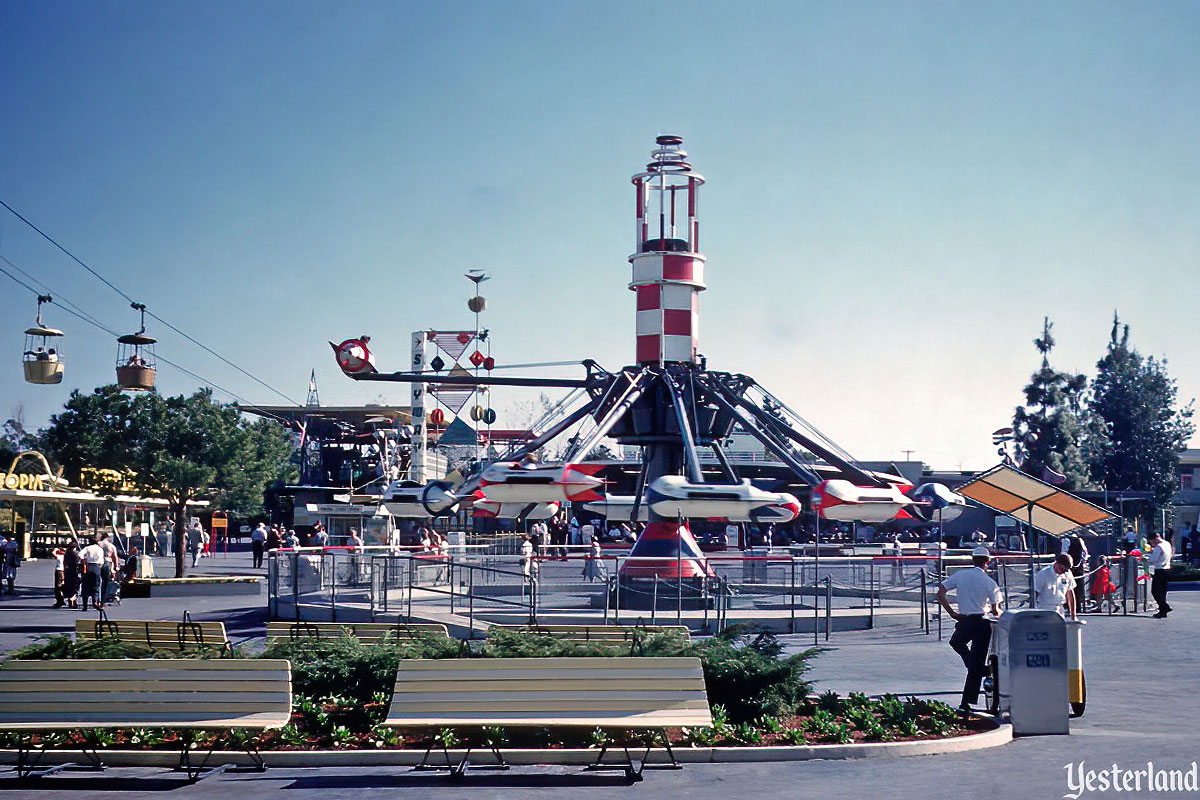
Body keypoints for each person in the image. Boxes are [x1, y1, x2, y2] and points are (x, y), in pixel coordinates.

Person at [937, 546, 1004, 714]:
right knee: (976, 662)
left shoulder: (961, 575)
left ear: (972, 559)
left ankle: (967, 700)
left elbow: (941, 592)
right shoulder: (990, 582)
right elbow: (996, 610)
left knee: (956, 642)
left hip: (966, 619)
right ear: (987, 563)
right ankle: (971, 692)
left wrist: (952, 613)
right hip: (983, 622)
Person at [1035, 553, 1078, 619]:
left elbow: (1070, 594)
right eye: (1062, 569)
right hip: (1045, 609)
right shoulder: (1044, 573)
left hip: (1060, 610)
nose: (1063, 572)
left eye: (1065, 570)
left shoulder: (1067, 574)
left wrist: (1073, 615)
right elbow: (1036, 593)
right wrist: (1034, 612)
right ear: (1057, 563)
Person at [1147, 531, 1174, 618]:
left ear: (1155, 539)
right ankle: (1163, 612)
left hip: (1160, 570)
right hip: (1167, 569)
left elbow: (1153, 559)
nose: (1152, 544)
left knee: (1155, 591)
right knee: (1163, 592)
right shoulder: (1167, 544)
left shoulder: (1159, 547)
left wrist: (1145, 559)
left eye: (1151, 542)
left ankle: (1165, 607)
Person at [78, 536, 106, 611]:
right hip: (96, 567)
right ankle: (95, 602)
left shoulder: (87, 548)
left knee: (85, 586)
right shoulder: (100, 549)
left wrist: (84, 560)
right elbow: (102, 561)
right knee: (95, 586)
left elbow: (80, 554)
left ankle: (85, 605)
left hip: (88, 567)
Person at [1065, 534, 1088, 611]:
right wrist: (1083, 562)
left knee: (1069, 587)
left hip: (1069, 567)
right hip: (1079, 566)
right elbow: (1085, 553)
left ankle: (1070, 606)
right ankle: (1078, 606)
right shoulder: (1080, 540)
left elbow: (1064, 554)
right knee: (1079, 586)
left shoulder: (1066, 540)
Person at [97, 532, 119, 606]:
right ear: (108, 538)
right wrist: (116, 567)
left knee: (98, 582)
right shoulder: (111, 546)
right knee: (105, 582)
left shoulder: (98, 544)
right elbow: (115, 557)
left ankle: (97, 599)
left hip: (98, 563)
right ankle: (103, 600)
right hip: (107, 563)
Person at [62, 539, 81, 609]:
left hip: (67, 572)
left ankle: (72, 600)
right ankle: (73, 599)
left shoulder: (67, 554)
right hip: (74, 572)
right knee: (76, 587)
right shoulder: (75, 554)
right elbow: (77, 563)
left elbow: (64, 563)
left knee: (69, 587)